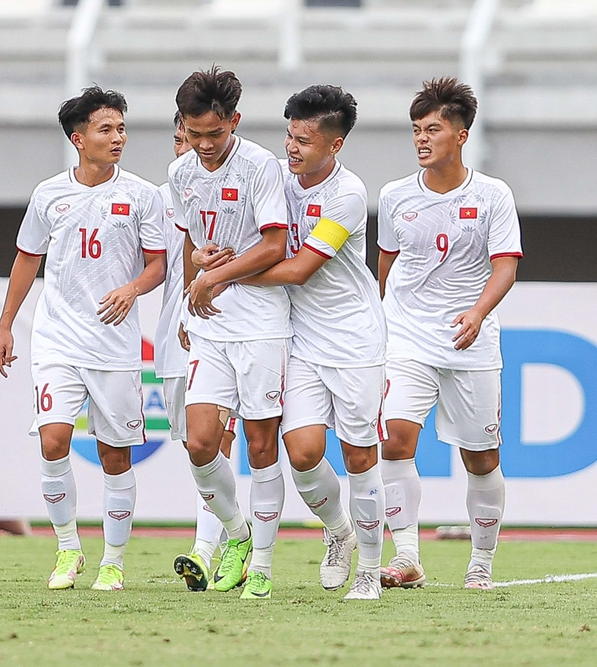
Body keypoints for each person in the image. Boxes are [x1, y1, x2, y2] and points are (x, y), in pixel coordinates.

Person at [198, 85, 387, 600]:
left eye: (305, 140)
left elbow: (300, 269)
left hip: (353, 341)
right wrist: (212, 259)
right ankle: (341, 532)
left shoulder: (347, 194)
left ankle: (370, 569)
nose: (293, 148)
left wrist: (224, 277)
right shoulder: (277, 177)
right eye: (289, 135)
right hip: (300, 337)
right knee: (302, 452)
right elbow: (248, 240)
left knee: (359, 456)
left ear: (335, 145)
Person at [0, 86, 166, 592]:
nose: (118, 138)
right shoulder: (49, 195)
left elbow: (157, 264)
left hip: (113, 344)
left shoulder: (141, 195)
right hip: (58, 340)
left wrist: (132, 289)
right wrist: (6, 324)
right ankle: (68, 550)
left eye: (121, 128)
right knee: (53, 441)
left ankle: (113, 560)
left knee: (116, 455)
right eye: (106, 129)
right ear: (78, 137)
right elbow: (28, 259)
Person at [377, 77, 522, 591]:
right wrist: (383, 318)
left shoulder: (492, 195)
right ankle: (408, 557)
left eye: (432, 129)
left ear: (460, 135)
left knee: (481, 457)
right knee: (395, 440)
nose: (421, 139)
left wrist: (478, 313)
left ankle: (480, 563)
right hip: (407, 336)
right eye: (416, 129)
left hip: (470, 340)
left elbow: (505, 265)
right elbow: (387, 264)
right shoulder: (395, 195)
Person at [169, 67, 291, 600]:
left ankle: (260, 564)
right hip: (211, 322)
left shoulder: (263, 165)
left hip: (261, 321)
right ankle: (238, 535)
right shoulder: (181, 173)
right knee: (199, 444)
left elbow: (275, 245)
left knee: (262, 446)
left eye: (213, 134)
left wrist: (213, 274)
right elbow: (193, 243)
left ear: (234, 122)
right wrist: (200, 262)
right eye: (193, 134)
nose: (203, 145)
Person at [157, 112, 239, 592]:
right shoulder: (160, 200)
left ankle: (208, 549)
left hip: (230, 334)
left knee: (218, 441)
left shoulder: (239, 194)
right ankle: (234, 537)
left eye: (201, 139)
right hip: (176, 336)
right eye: (181, 139)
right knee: (197, 446)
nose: (188, 148)